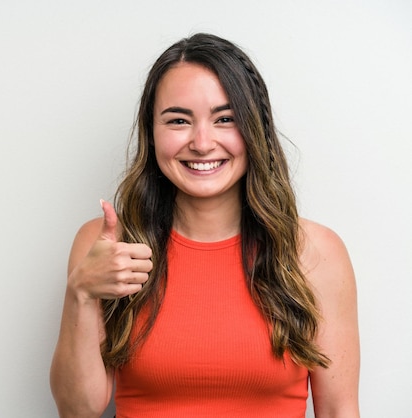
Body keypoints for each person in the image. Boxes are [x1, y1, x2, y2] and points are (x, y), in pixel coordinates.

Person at [50, 33, 360, 418]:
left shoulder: (315, 251)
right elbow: (76, 410)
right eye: (178, 120)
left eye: (225, 119)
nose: (201, 142)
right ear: (152, 132)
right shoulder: (106, 245)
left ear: (254, 130)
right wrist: (80, 293)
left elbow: (339, 411)